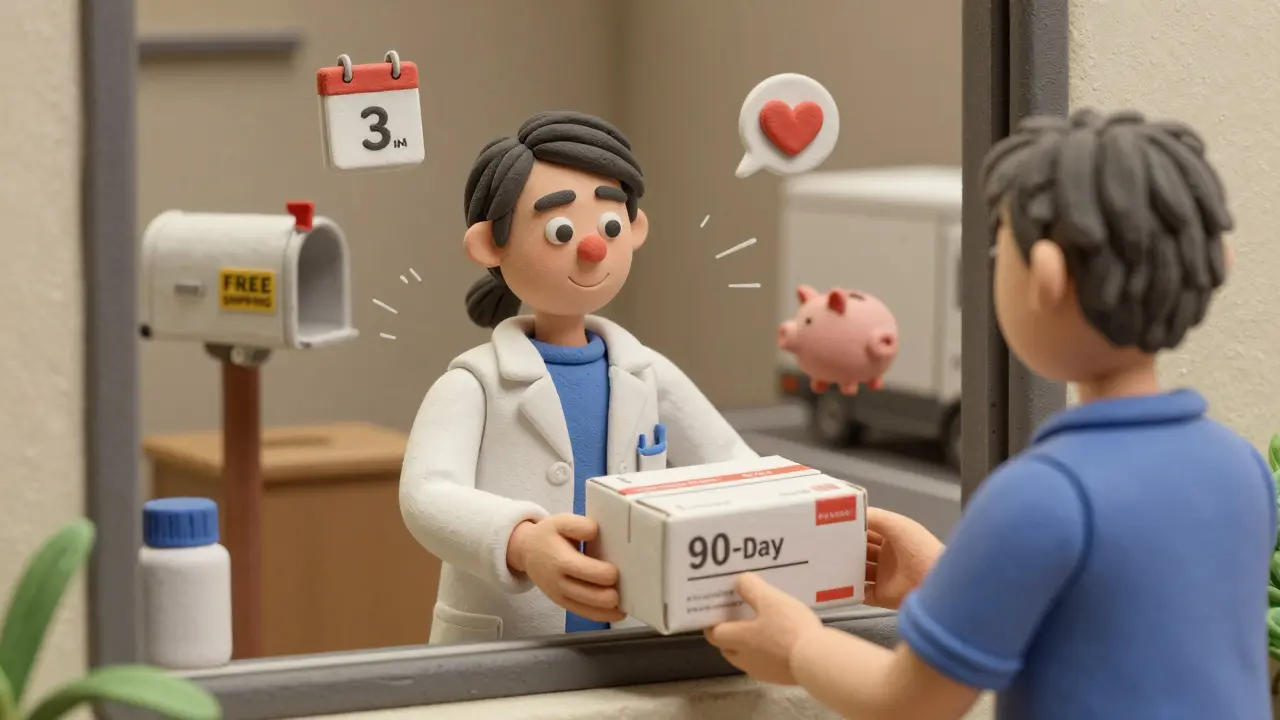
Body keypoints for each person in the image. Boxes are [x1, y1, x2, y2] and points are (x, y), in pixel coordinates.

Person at [704, 109, 1275, 719]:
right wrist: (950, 581)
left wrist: (799, 646)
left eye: (1000, 249)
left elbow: (911, 701)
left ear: (1045, 278)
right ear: (1217, 260)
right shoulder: (1240, 467)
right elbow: (1128, 608)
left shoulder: (1044, 494)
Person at [400, 111, 757, 645]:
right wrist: (521, 542)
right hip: (507, 637)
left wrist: (813, 514)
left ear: (634, 230)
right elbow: (427, 495)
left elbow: (732, 463)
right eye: (560, 230)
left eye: (610, 226)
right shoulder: (472, 384)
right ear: (489, 245)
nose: (592, 247)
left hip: (633, 632)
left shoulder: (648, 373)